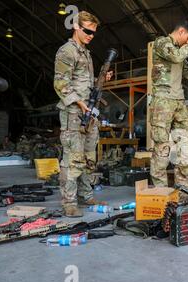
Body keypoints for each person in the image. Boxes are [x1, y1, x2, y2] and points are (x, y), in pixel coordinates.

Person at [53, 11, 113, 217]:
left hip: (89, 111)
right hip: (73, 113)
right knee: (72, 158)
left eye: (94, 32)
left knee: (89, 157)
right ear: (76, 27)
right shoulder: (66, 51)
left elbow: (83, 82)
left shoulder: (85, 53)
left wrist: (101, 78)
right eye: (87, 31)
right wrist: (79, 103)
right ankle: (69, 202)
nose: (91, 35)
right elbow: (61, 83)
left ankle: (86, 195)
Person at [150, 19, 188, 188]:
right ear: (181, 31)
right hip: (162, 101)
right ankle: (160, 192)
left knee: (185, 146)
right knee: (162, 147)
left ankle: (183, 192)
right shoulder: (162, 43)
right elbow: (175, 57)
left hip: (179, 102)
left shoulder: (181, 52)